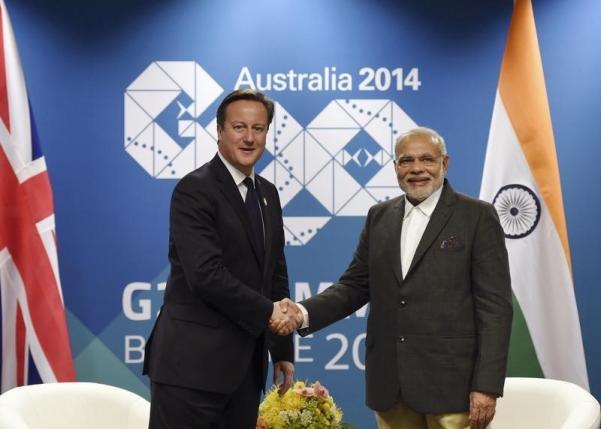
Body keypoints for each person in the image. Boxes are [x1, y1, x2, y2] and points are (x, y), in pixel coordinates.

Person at [274, 127, 513, 429]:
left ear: (445, 164)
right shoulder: (379, 216)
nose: (416, 169)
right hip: (391, 390)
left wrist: (487, 386)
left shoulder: (477, 216)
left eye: (427, 159)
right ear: (396, 167)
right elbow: (355, 286)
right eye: (406, 160)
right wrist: (302, 313)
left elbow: (496, 308)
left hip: (455, 390)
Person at [144, 89, 297, 429]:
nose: (248, 137)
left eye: (258, 129)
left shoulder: (268, 194)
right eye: (239, 127)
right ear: (219, 130)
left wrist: (282, 348)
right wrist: (269, 312)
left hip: (244, 371)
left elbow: (274, 273)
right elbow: (205, 275)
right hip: (191, 370)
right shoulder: (195, 189)